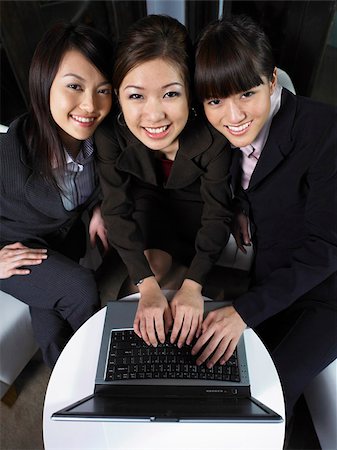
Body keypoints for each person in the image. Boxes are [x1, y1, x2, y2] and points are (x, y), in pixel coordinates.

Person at [193, 14, 337, 423]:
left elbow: (327, 247)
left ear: (273, 80)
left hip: (328, 292)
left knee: (265, 398)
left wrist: (244, 310)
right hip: (274, 276)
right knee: (216, 370)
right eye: (215, 101)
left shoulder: (326, 132)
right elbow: (251, 179)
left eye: (246, 94)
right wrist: (241, 207)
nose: (233, 115)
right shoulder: (220, 134)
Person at [95, 15, 233, 349]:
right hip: (148, 201)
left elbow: (218, 215)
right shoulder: (110, 133)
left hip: (196, 206)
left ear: (191, 93)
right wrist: (147, 284)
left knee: (192, 290)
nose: (154, 115)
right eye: (136, 96)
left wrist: (193, 284)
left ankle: (200, 281)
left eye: (170, 94)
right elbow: (116, 209)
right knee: (148, 277)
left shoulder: (214, 136)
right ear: (118, 95)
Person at [0, 22, 114, 367]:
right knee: (79, 289)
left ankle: (65, 386)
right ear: (44, 83)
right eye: (74, 86)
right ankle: (101, 366)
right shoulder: (9, 157)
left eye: (103, 90)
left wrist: (98, 207)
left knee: (50, 328)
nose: (89, 105)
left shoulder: (102, 137)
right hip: (15, 247)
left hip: (60, 241)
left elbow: (103, 178)